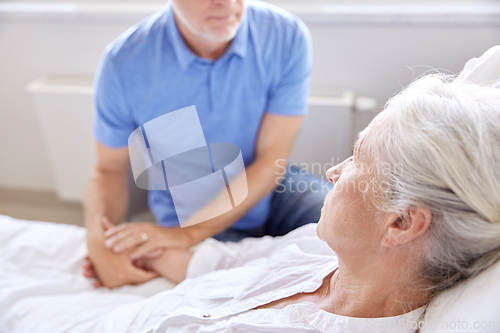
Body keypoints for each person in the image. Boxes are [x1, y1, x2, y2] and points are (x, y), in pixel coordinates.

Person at [3, 72, 500, 332]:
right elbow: (242, 256)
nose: (334, 171)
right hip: (143, 302)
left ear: (401, 223)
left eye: (356, 159)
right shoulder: (328, 252)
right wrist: (159, 252)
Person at [85, 0, 330, 289]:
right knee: (252, 287)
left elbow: (271, 160)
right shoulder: (124, 63)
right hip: (191, 213)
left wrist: (183, 237)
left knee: (364, 227)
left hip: (272, 187)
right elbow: (109, 169)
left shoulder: (284, 34)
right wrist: (99, 244)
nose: (225, 2)